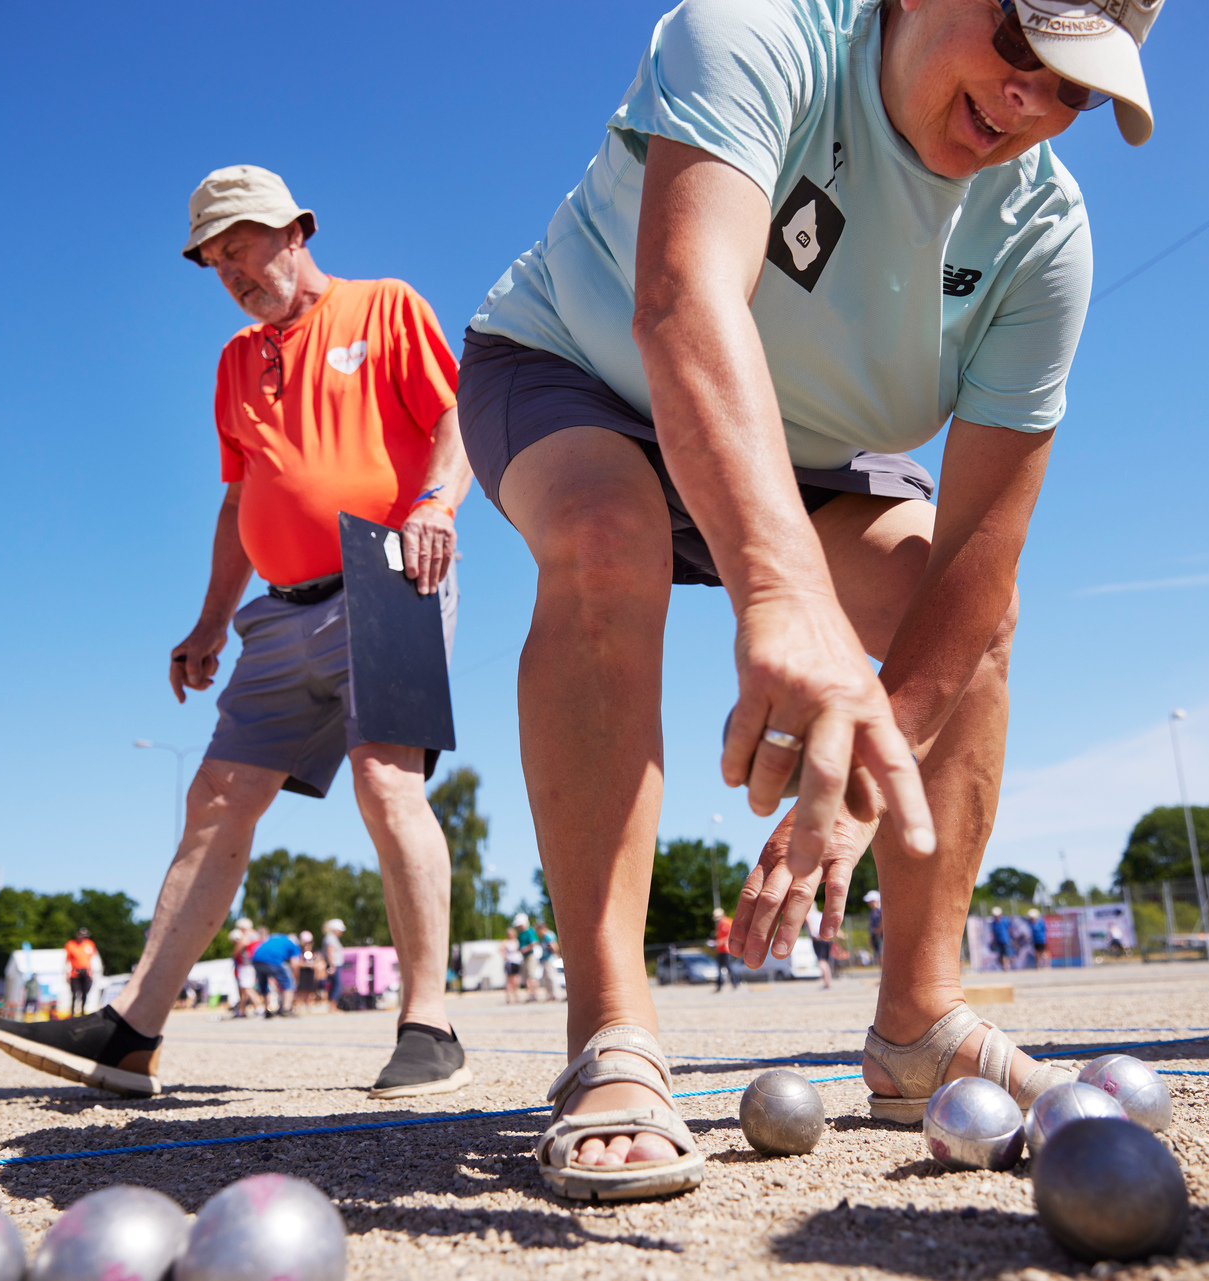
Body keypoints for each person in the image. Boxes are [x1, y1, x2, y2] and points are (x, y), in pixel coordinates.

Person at [460, 0, 1165, 1202]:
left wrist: (859, 782)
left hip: (821, 452)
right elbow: (685, 302)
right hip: (581, 371)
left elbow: (982, 560)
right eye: (1020, 48)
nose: (1033, 104)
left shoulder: (1046, 235)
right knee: (602, 538)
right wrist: (776, 591)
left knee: (955, 623)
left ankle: (919, 1025)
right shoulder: (755, 29)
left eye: (1078, 92)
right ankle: (611, 1036)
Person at [0, 166, 474, 1099]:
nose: (233, 273)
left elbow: (457, 416)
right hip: (276, 610)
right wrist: (209, 620)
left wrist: (438, 503)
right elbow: (240, 497)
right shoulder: (237, 359)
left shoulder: (385, 306)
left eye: (241, 249)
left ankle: (429, 1026)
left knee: (386, 777)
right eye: (215, 262)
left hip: (389, 572)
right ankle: (132, 1031)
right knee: (215, 797)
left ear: (294, 231)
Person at [251, 928, 300, 1015]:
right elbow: (294, 964)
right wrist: (296, 978)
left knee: (263, 984)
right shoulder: (294, 944)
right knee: (288, 983)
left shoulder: (276, 936)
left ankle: (267, 1010)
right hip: (272, 960)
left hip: (256, 958)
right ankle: (286, 1009)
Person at [65, 928, 98, 1018]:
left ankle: (82, 1013)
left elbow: (93, 959)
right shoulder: (71, 945)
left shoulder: (90, 944)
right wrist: (67, 974)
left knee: (85, 993)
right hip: (75, 973)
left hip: (86, 973)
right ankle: (72, 1014)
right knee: (75, 994)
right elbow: (67, 960)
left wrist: (92, 973)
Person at [321, 919, 348, 1009]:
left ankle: (333, 1006)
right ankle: (332, 1006)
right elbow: (330, 952)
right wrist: (332, 965)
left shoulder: (331, 937)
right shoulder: (331, 938)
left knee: (335, 984)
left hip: (335, 964)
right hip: (334, 964)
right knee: (337, 984)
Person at [711, 908, 739, 993]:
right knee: (719, 969)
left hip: (727, 950)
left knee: (729, 967)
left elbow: (730, 935)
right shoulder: (719, 925)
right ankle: (719, 986)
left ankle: (735, 983)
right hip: (720, 950)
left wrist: (720, 941)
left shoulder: (728, 922)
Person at [806, 905, 833, 989]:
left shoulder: (808, 914)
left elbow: (810, 924)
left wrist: (813, 934)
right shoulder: (821, 914)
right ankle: (828, 981)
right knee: (825, 960)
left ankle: (826, 981)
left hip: (817, 937)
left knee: (821, 961)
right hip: (827, 937)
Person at [518, 915, 543, 1003]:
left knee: (532, 976)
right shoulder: (521, 933)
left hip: (531, 956)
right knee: (526, 977)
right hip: (524, 957)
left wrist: (525, 949)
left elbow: (534, 942)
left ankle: (534, 995)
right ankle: (529, 995)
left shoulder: (529, 931)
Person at [503, 920, 523, 1004]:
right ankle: (509, 997)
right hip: (510, 962)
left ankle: (515, 996)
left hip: (516, 962)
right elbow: (500, 949)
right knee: (510, 980)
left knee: (516, 980)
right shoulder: (506, 942)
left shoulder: (516, 941)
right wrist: (506, 956)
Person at [988, 907, 1014, 971]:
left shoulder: (1004, 921)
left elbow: (1010, 929)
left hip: (1006, 940)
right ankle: (1004, 967)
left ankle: (1009, 966)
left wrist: (1011, 937)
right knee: (1001, 955)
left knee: (1008, 954)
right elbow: (994, 933)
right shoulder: (993, 923)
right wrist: (994, 941)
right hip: (998, 941)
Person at [865, 890, 884, 964]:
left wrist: (878, 931)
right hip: (877, 936)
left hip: (881, 936)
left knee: (882, 955)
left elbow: (883, 920)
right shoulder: (873, 911)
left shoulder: (881, 910)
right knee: (879, 954)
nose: (869, 903)